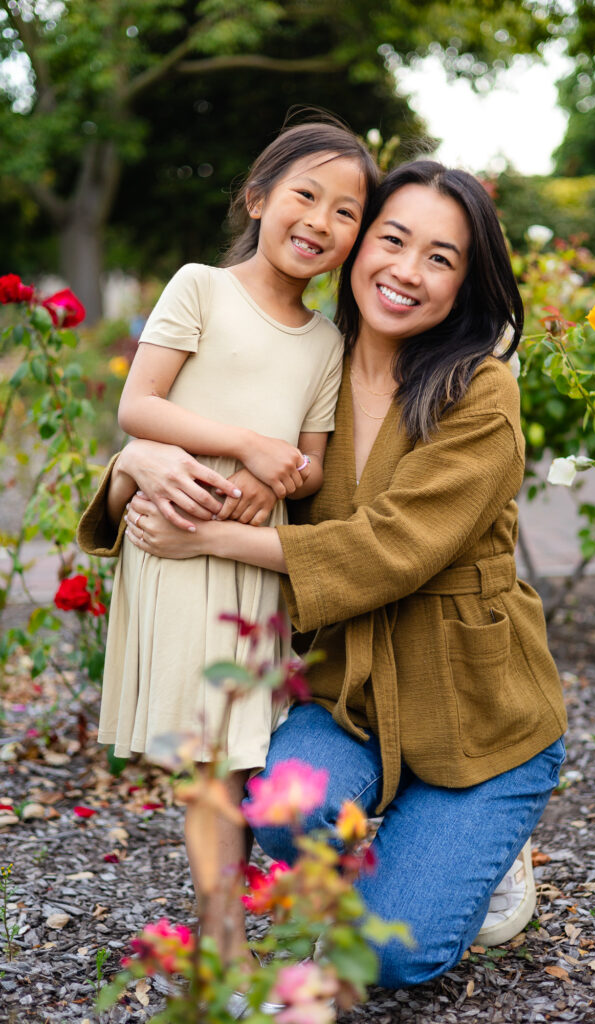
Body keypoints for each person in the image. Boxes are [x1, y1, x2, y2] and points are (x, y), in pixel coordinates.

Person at [80, 160, 567, 990]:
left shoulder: (478, 392)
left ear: (465, 282)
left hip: (478, 716)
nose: (408, 271)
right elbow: (221, 439)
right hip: (356, 700)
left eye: (441, 258)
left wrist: (211, 543)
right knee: (284, 805)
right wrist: (139, 458)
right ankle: (417, 844)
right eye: (394, 240)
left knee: (390, 951)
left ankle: (487, 847)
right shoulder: (318, 362)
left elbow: (389, 548)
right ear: (358, 245)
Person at [79, 118, 379, 969]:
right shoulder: (201, 287)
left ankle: (244, 918)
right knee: (210, 753)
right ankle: (224, 936)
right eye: (305, 195)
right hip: (178, 545)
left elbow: (311, 468)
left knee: (247, 752)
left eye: (346, 211)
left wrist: (273, 476)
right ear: (257, 198)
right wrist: (246, 446)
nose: (321, 220)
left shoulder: (328, 342)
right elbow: (141, 407)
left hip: (253, 559)